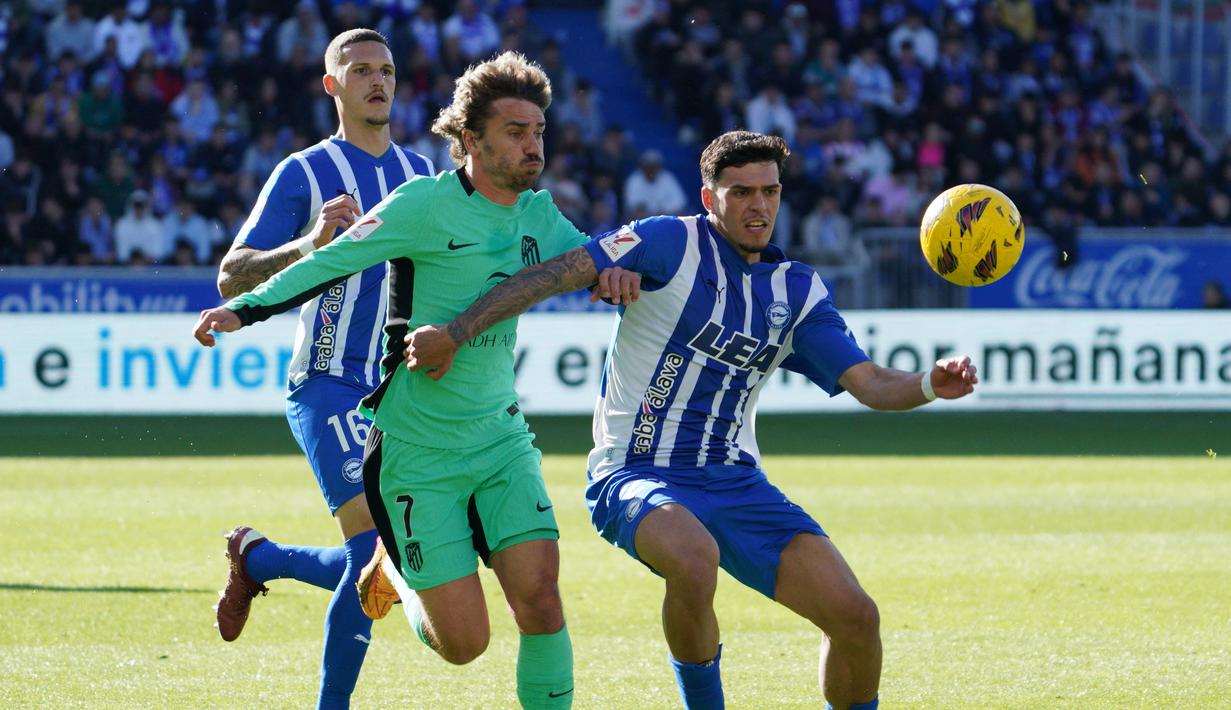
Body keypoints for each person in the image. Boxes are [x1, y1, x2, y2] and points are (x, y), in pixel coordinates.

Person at [402, 131, 979, 710]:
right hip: (634, 474)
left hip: (735, 480)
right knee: (694, 558)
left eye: (770, 192)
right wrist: (457, 332)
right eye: (742, 192)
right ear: (710, 198)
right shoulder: (666, 241)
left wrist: (931, 384)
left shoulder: (796, 292)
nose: (759, 205)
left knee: (856, 617)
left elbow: (871, 383)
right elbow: (552, 274)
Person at [193, 51, 632, 709]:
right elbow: (331, 261)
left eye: (538, 131)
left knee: (540, 597)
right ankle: (393, 574)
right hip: (414, 453)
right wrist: (244, 307)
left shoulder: (540, 215)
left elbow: (593, 260)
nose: (532, 145)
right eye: (515, 131)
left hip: (500, 441)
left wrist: (617, 276)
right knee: (464, 644)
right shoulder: (421, 204)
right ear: (472, 138)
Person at [209, 29, 435, 710]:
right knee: (374, 546)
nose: (377, 80)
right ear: (332, 86)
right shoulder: (304, 173)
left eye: (387, 70)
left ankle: (260, 559)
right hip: (328, 383)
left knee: (396, 563)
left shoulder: (422, 177)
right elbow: (231, 276)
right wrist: (310, 243)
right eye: (360, 69)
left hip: (402, 394)